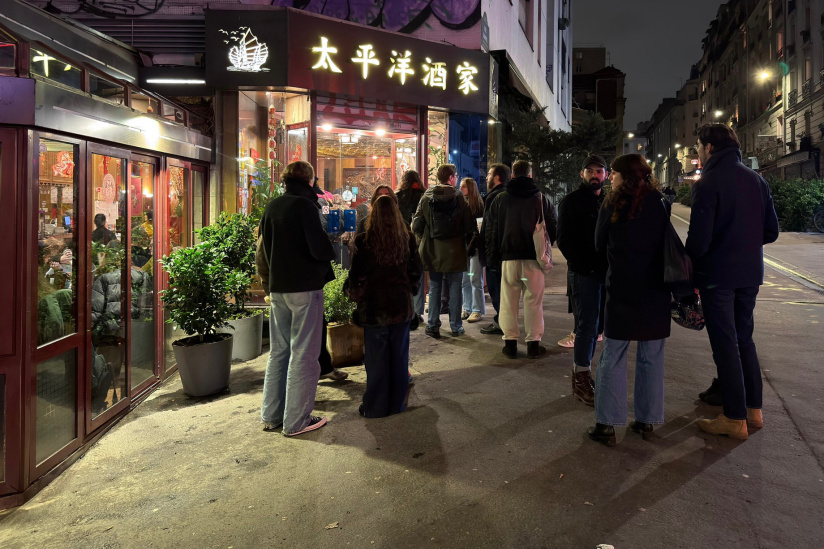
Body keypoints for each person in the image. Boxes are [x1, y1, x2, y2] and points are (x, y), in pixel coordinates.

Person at [687, 124, 779, 440]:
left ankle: (733, 417)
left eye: (698, 146)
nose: (697, 153)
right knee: (744, 340)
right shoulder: (757, 180)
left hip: (718, 276)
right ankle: (753, 411)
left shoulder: (708, 182)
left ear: (709, 147)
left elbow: (698, 241)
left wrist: (690, 269)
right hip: (750, 274)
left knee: (725, 343)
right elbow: (772, 231)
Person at [587, 154, 671, 446]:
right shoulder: (660, 203)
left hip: (622, 288)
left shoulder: (612, 203)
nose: (610, 177)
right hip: (656, 289)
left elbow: (598, 244)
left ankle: (607, 424)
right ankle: (647, 420)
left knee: (613, 355)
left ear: (624, 176)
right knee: (651, 356)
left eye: (614, 173)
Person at [257, 160, 335, 437]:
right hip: (304, 287)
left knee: (279, 352)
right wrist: (331, 243)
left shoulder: (272, 206)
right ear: (310, 180)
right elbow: (320, 248)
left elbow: (263, 249)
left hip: (278, 289)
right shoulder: (304, 206)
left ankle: (271, 415)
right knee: (304, 353)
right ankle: (297, 421)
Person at [346, 196, 422, 417]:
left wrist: (357, 297)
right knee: (399, 359)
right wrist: (410, 291)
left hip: (374, 309)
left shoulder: (365, 241)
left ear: (373, 215)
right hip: (400, 307)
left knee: (376, 360)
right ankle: (396, 404)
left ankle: (375, 407)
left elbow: (357, 276)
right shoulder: (406, 238)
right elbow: (416, 272)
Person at [486, 160, 557, 359]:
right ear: (530, 174)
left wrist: (493, 260)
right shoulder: (540, 199)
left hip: (508, 259)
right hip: (534, 259)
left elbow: (491, 232)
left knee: (508, 302)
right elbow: (552, 226)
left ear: (512, 176)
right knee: (534, 302)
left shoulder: (500, 199)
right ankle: (533, 344)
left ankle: (510, 345)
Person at [556, 155, 609, 406]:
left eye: (599, 171)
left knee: (598, 327)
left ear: (605, 176)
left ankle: (586, 374)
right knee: (586, 327)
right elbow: (564, 240)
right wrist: (584, 267)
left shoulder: (607, 202)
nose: (595, 176)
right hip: (584, 274)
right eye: (590, 171)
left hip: (605, 275)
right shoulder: (572, 202)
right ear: (582, 174)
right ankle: (581, 377)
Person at [412, 164, 477, 339]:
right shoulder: (459, 198)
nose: (456, 178)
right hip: (455, 249)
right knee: (456, 288)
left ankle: (433, 325)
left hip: (433, 250)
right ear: (450, 177)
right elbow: (470, 225)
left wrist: (427, 237)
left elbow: (416, 225)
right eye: (455, 175)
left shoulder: (427, 197)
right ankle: (456, 326)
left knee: (434, 287)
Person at [479, 163, 510, 336]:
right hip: (504, 253)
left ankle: (500, 322)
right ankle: (503, 321)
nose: (487, 177)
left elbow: (490, 230)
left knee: (496, 290)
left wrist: (488, 254)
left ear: (498, 178)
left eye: (490, 174)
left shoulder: (494, 197)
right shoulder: (508, 196)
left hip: (495, 254)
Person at [396, 170, 428, 330]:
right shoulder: (424, 195)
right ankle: (417, 311)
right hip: (418, 239)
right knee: (418, 274)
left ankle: (405, 308)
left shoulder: (398, 195)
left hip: (401, 238)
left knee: (402, 273)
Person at [459, 177, 485, 323]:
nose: (461, 189)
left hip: (474, 247)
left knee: (475, 278)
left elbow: (478, 229)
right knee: (465, 280)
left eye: (463, 186)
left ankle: (477, 310)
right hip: (465, 247)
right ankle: (467, 307)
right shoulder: (462, 204)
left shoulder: (478, 206)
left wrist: (471, 245)